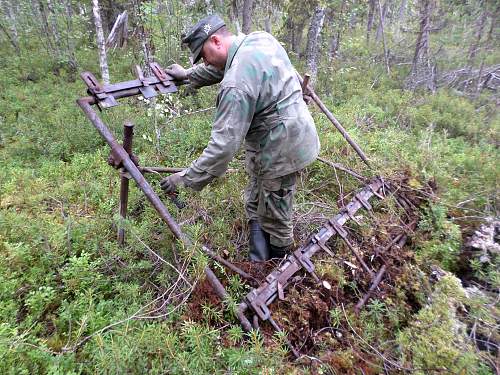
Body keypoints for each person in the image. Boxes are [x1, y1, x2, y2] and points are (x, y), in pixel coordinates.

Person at [160, 14, 320, 261]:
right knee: (255, 202)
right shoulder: (258, 40)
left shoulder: (235, 86)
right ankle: (258, 262)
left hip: (283, 149)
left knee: (277, 217)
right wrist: (189, 75)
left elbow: (223, 148)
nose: (205, 61)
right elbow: (225, 66)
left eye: (203, 55)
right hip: (289, 134)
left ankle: (279, 270)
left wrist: (186, 179)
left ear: (215, 41)